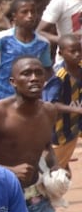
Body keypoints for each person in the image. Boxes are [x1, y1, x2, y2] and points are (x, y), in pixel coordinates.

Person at [0, 56, 65, 212]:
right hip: (3, 205)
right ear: (13, 82)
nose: (34, 78)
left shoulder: (49, 111)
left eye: (38, 73)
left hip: (38, 201)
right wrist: (9, 171)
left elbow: (46, 146)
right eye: (26, 73)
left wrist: (55, 166)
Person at [0, 0, 52, 102]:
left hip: (27, 99)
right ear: (14, 16)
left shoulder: (43, 43)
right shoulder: (1, 39)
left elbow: (47, 68)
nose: (30, 16)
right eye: (24, 12)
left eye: (33, 12)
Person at [45, 33, 82, 173]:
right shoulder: (59, 77)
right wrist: (75, 110)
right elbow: (50, 104)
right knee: (56, 170)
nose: (77, 54)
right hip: (61, 130)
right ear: (61, 53)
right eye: (73, 51)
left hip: (76, 125)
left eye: (80, 50)